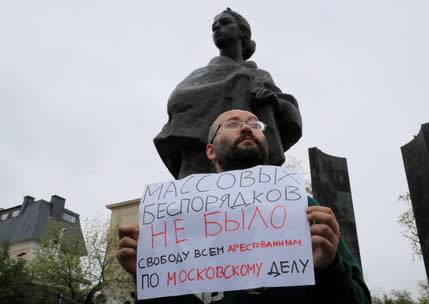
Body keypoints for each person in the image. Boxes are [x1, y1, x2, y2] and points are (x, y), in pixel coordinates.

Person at [118, 110, 371, 303]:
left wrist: (329, 267)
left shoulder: (305, 208)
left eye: (254, 124)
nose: (247, 128)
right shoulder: (178, 218)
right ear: (210, 150)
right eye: (232, 124)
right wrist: (145, 275)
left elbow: (359, 299)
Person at [154, 9, 302, 179]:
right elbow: (177, 102)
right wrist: (236, 83)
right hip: (200, 162)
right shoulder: (202, 74)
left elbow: (291, 116)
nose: (217, 28)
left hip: (250, 161)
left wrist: (274, 103)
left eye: (224, 23)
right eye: (214, 27)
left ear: (243, 32)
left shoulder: (260, 75)